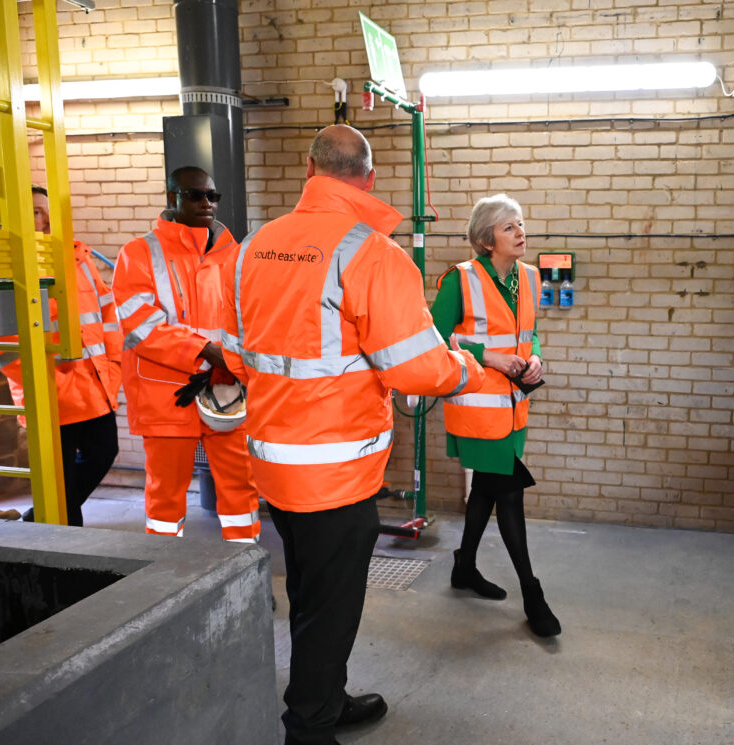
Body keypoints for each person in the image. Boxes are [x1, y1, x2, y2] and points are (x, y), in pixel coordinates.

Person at [220, 124, 486, 745]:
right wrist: (468, 366)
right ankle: (309, 727)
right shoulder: (372, 254)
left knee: (312, 594)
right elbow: (416, 369)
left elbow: (234, 353)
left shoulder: (254, 246)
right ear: (368, 178)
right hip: (336, 475)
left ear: (308, 169)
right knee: (331, 611)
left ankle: (325, 696)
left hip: (273, 467)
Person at [431, 193, 561, 638]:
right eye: (509, 227)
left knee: (488, 487)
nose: (520, 233)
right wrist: (490, 357)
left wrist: (537, 357)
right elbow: (435, 339)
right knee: (508, 493)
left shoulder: (530, 275)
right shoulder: (459, 280)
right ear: (487, 240)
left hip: (515, 406)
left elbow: (532, 332)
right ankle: (533, 593)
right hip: (478, 407)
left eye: (521, 224)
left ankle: (464, 567)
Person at [111, 167, 260, 543]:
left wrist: (235, 361)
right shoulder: (139, 253)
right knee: (165, 497)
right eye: (194, 195)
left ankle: (246, 572)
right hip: (166, 397)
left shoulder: (236, 254)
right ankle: (161, 579)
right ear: (171, 199)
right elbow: (140, 326)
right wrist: (207, 351)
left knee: (241, 489)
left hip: (227, 390)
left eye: (212, 196)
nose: (205, 203)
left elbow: (252, 318)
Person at [0, 186, 123, 526]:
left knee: (104, 454)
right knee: (61, 485)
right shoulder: (2, 264)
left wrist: (113, 363)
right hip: (49, 393)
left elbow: (107, 311)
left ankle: (41, 517)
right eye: (34, 211)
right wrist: (37, 375)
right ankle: (67, 556)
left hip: (95, 387)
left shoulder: (77, 256)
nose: (44, 219)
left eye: (46, 211)